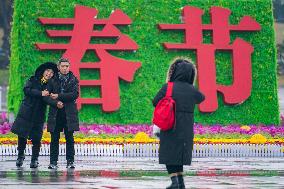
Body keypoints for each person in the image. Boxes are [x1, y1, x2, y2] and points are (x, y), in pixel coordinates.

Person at [152, 58, 205, 189]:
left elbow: (155, 101)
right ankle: (180, 183)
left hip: (170, 126)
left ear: (174, 72)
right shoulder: (192, 90)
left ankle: (175, 183)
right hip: (185, 129)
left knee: (170, 156)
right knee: (179, 156)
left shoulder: (168, 87)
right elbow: (201, 98)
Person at [11, 62, 58, 168]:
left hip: (39, 114)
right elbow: (27, 90)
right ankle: (20, 156)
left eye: (51, 72)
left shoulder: (52, 86)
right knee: (22, 135)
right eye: (47, 71)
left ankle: (34, 159)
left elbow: (50, 99)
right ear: (43, 71)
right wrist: (40, 93)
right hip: (26, 112)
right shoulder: (33, 79)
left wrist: (52, 97)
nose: (49, 73)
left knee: (36, 137)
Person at [43, 57, 79, 169]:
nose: (65, 68)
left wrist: (59, 96)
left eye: (67, 66)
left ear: (69, 67)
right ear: (58, 67)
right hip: (55, 113)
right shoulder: (52, 80)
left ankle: (70, 161)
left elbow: (74, 95)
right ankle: (53, 162)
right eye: (62, 66)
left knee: (69, 138)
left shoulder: (73, 79)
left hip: (69, 113)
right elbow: (46, 97)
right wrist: (55, 102)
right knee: (54, 138)